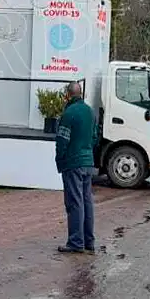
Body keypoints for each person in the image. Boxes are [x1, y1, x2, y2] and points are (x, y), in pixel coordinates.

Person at [55, 81, 97, 254]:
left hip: (73, 163)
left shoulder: (69, 113)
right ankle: (89, 241)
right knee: (87, 202)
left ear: (68, 95)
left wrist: (60, 159)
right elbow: (95, 137)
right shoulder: (90, 112)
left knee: (74, 202)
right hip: (88, 162)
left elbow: (62, 141)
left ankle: (75, 242)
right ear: (81, 94)